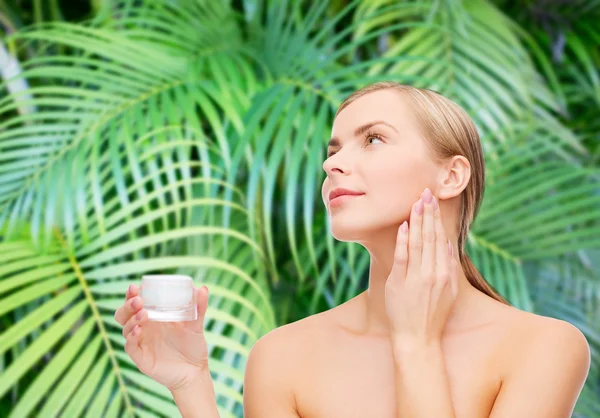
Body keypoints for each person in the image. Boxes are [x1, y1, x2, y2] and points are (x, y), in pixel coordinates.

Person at [114, 81, 591, 418]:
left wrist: (416, 343)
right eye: (335, 148)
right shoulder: (282, 356)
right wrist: (190, 384)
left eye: (374, 139)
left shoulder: (544, 348)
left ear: (452, 176)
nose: (333, 163)